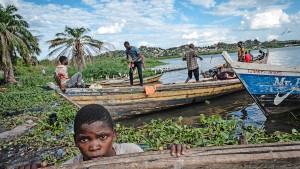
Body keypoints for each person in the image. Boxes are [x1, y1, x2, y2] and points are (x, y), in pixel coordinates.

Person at [15, 104, 190, 168]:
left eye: (102, 137)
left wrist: (171, 155)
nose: (94, 146)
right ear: (75, 141)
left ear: (114, 136)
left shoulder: (131, 151)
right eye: (85, 139)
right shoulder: (70, 166)